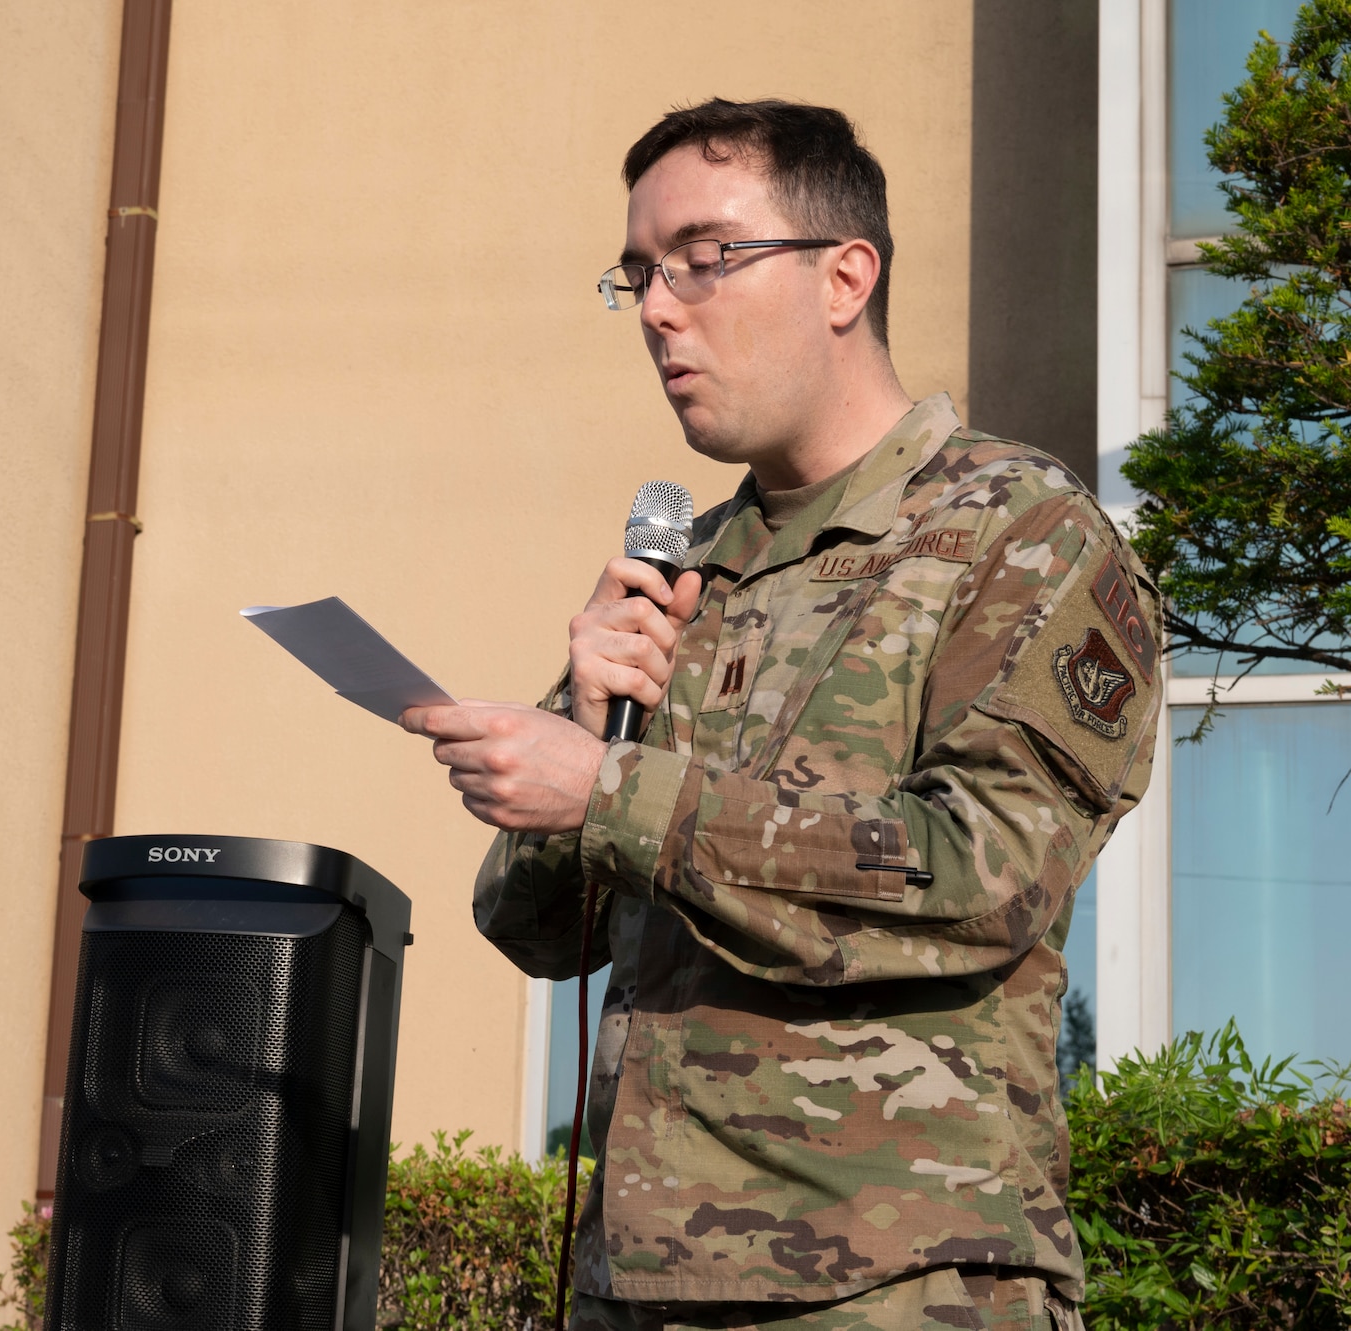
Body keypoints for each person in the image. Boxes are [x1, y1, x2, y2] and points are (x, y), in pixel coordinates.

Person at [403, 100, 1161, 1330]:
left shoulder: (1017, 530)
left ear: (842, 276)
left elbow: (982, 870)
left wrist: (604, 790)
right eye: (637, 274)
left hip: (896, 1283)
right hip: (633, 1284)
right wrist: (582, 717)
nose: (657, 308)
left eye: (703, 260)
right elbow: (532, 927)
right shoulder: (685, 568)